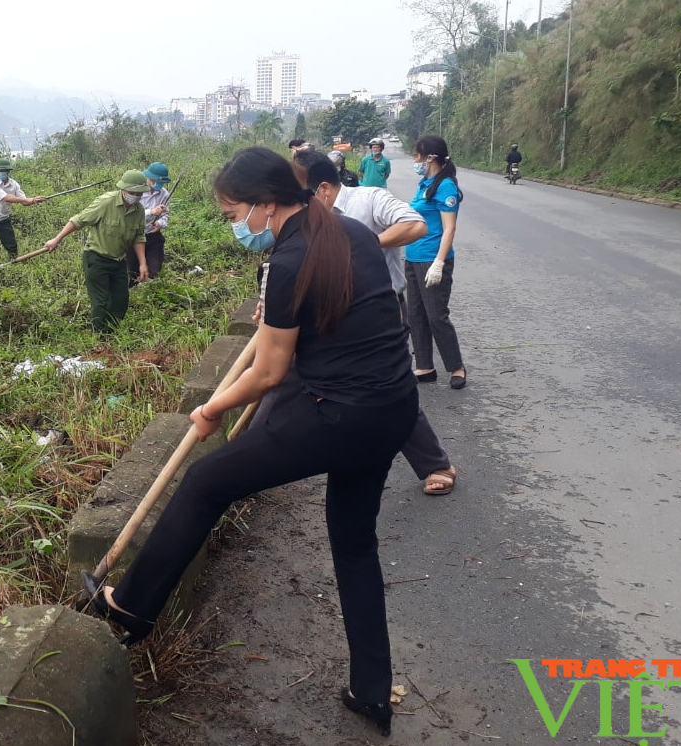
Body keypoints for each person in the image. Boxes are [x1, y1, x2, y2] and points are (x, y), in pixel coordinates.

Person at [88, 146, 419, 738]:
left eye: (233, 212)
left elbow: (268, 372)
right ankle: (372, 690)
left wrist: (210, 407)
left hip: (339, 416)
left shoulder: (289, 261)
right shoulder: (353, 232)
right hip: (392, 408)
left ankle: (130, 606)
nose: (233, 224)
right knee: (354, 544)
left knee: (207, 480)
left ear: (267, 204)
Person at [295, 149, 457, 494]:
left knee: (390, 386)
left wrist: (365, 243)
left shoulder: (370, 199)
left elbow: (416, 225)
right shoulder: (306, 218)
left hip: (379, 310)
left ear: (322, 188)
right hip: (331, 310)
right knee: (306, 377)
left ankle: (435, 464)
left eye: (300, 193)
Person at [43, 170, 149, 334]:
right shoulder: (105, 203)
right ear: (123, 189)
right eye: (132, 192)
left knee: (121, 301)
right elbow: (78, 220)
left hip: (119, 260)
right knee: (101, 302)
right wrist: (56, 239)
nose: (135, 196)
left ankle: (112, 333)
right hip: (97, 258)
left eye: (139, 194)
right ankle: (99, 337)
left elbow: (139, 236)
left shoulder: (139, 210)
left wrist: (143, 263)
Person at [407, 135, 466, 390]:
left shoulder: (446, 187)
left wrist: (439, 263)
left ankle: (456, 367)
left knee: (436, 317)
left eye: (418, 156)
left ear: (430, 157)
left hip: (431, 259)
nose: (415, 160)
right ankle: (425, 367)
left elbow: (449, 229)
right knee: (415, 316)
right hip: (413, 257)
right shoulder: (425, 183)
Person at [0, 157, 46, 263]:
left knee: (11, 243)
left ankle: (14, 261)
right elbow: (6, 198)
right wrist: (28, 199)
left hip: (4, 218)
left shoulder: (14, 184)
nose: (1, 173)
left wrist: (34, 200)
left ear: (8, 172)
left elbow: (24, 202)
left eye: (3, 171)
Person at [127, 161, 171, 285]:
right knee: (131, 272)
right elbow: (131, 214)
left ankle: (150, 291)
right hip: (134, 235)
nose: (159, 185)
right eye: (156, 181)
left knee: (155, 271)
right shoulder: (136, 192)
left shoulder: (164, 194)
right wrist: (151, 212)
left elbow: (165, 215)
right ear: (149, 178)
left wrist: (160, 223)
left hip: (152, 236)